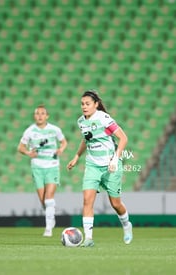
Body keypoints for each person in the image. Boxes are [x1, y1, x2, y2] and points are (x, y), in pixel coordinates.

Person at [67, 90, 133, 247]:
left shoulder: (104, 119)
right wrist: (77, 156)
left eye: (87, 104)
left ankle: (126, 225)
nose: (84, 107)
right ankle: (88, 238)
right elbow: (86, 139)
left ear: (96, 104)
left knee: (115, 204)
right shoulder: (81, 122)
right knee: (87, 200)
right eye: (82, 104)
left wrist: (115, 159)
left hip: (111, 165)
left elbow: (123, 138)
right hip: (92, 165)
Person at [18, 105, 68, 237]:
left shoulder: (54, 130)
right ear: (34, 116)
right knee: (43, 200)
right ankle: (51, 216)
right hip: (37, 167)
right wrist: (29, 153)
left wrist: (61, 150)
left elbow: (64, 142)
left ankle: (48, 228)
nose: (40, 116)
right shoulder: (30, 131)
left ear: (47, 116)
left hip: (52, 165)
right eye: (37, 113)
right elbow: (20, 147)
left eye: (42, 113)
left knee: (49, 197)